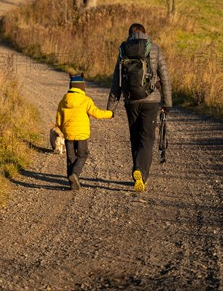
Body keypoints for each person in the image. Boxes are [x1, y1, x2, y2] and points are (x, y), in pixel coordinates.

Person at [107, 23, 172, 192]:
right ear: (145, 33)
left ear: (129, 34)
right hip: (151, 100)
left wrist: (110, 107)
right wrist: (167, 103)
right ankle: (141, 174)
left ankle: (137, 169)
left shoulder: (123, 49)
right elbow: (164, 77)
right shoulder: (155, 48)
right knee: (147, 139)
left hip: (131, 100)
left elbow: (117, 80)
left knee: (135, 137)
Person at [56, 74, 114, 190]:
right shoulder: (86, 100)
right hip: (82, 134)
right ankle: (75, 174)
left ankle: (72, 183)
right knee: (82, 155)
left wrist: (64, 130)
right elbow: (96, 113)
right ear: (82, 87)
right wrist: (110, 113)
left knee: (70, 158)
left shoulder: (63, 100)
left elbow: (58, 119)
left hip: (68, 134)